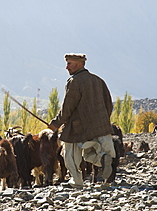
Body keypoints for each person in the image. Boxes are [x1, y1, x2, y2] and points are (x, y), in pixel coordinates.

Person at [48, 53, 115, 188]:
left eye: (69, 64)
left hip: (78, 127)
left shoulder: (74, 81)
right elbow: (109, 104)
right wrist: (103, 120)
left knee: (70, 156)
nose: (66, 67)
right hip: (101, 126)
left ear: (79, 64)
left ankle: (76, 181)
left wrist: (56, 124)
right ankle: (102, 158)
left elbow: (67, 107)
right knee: (91, 153)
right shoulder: (98, 80)